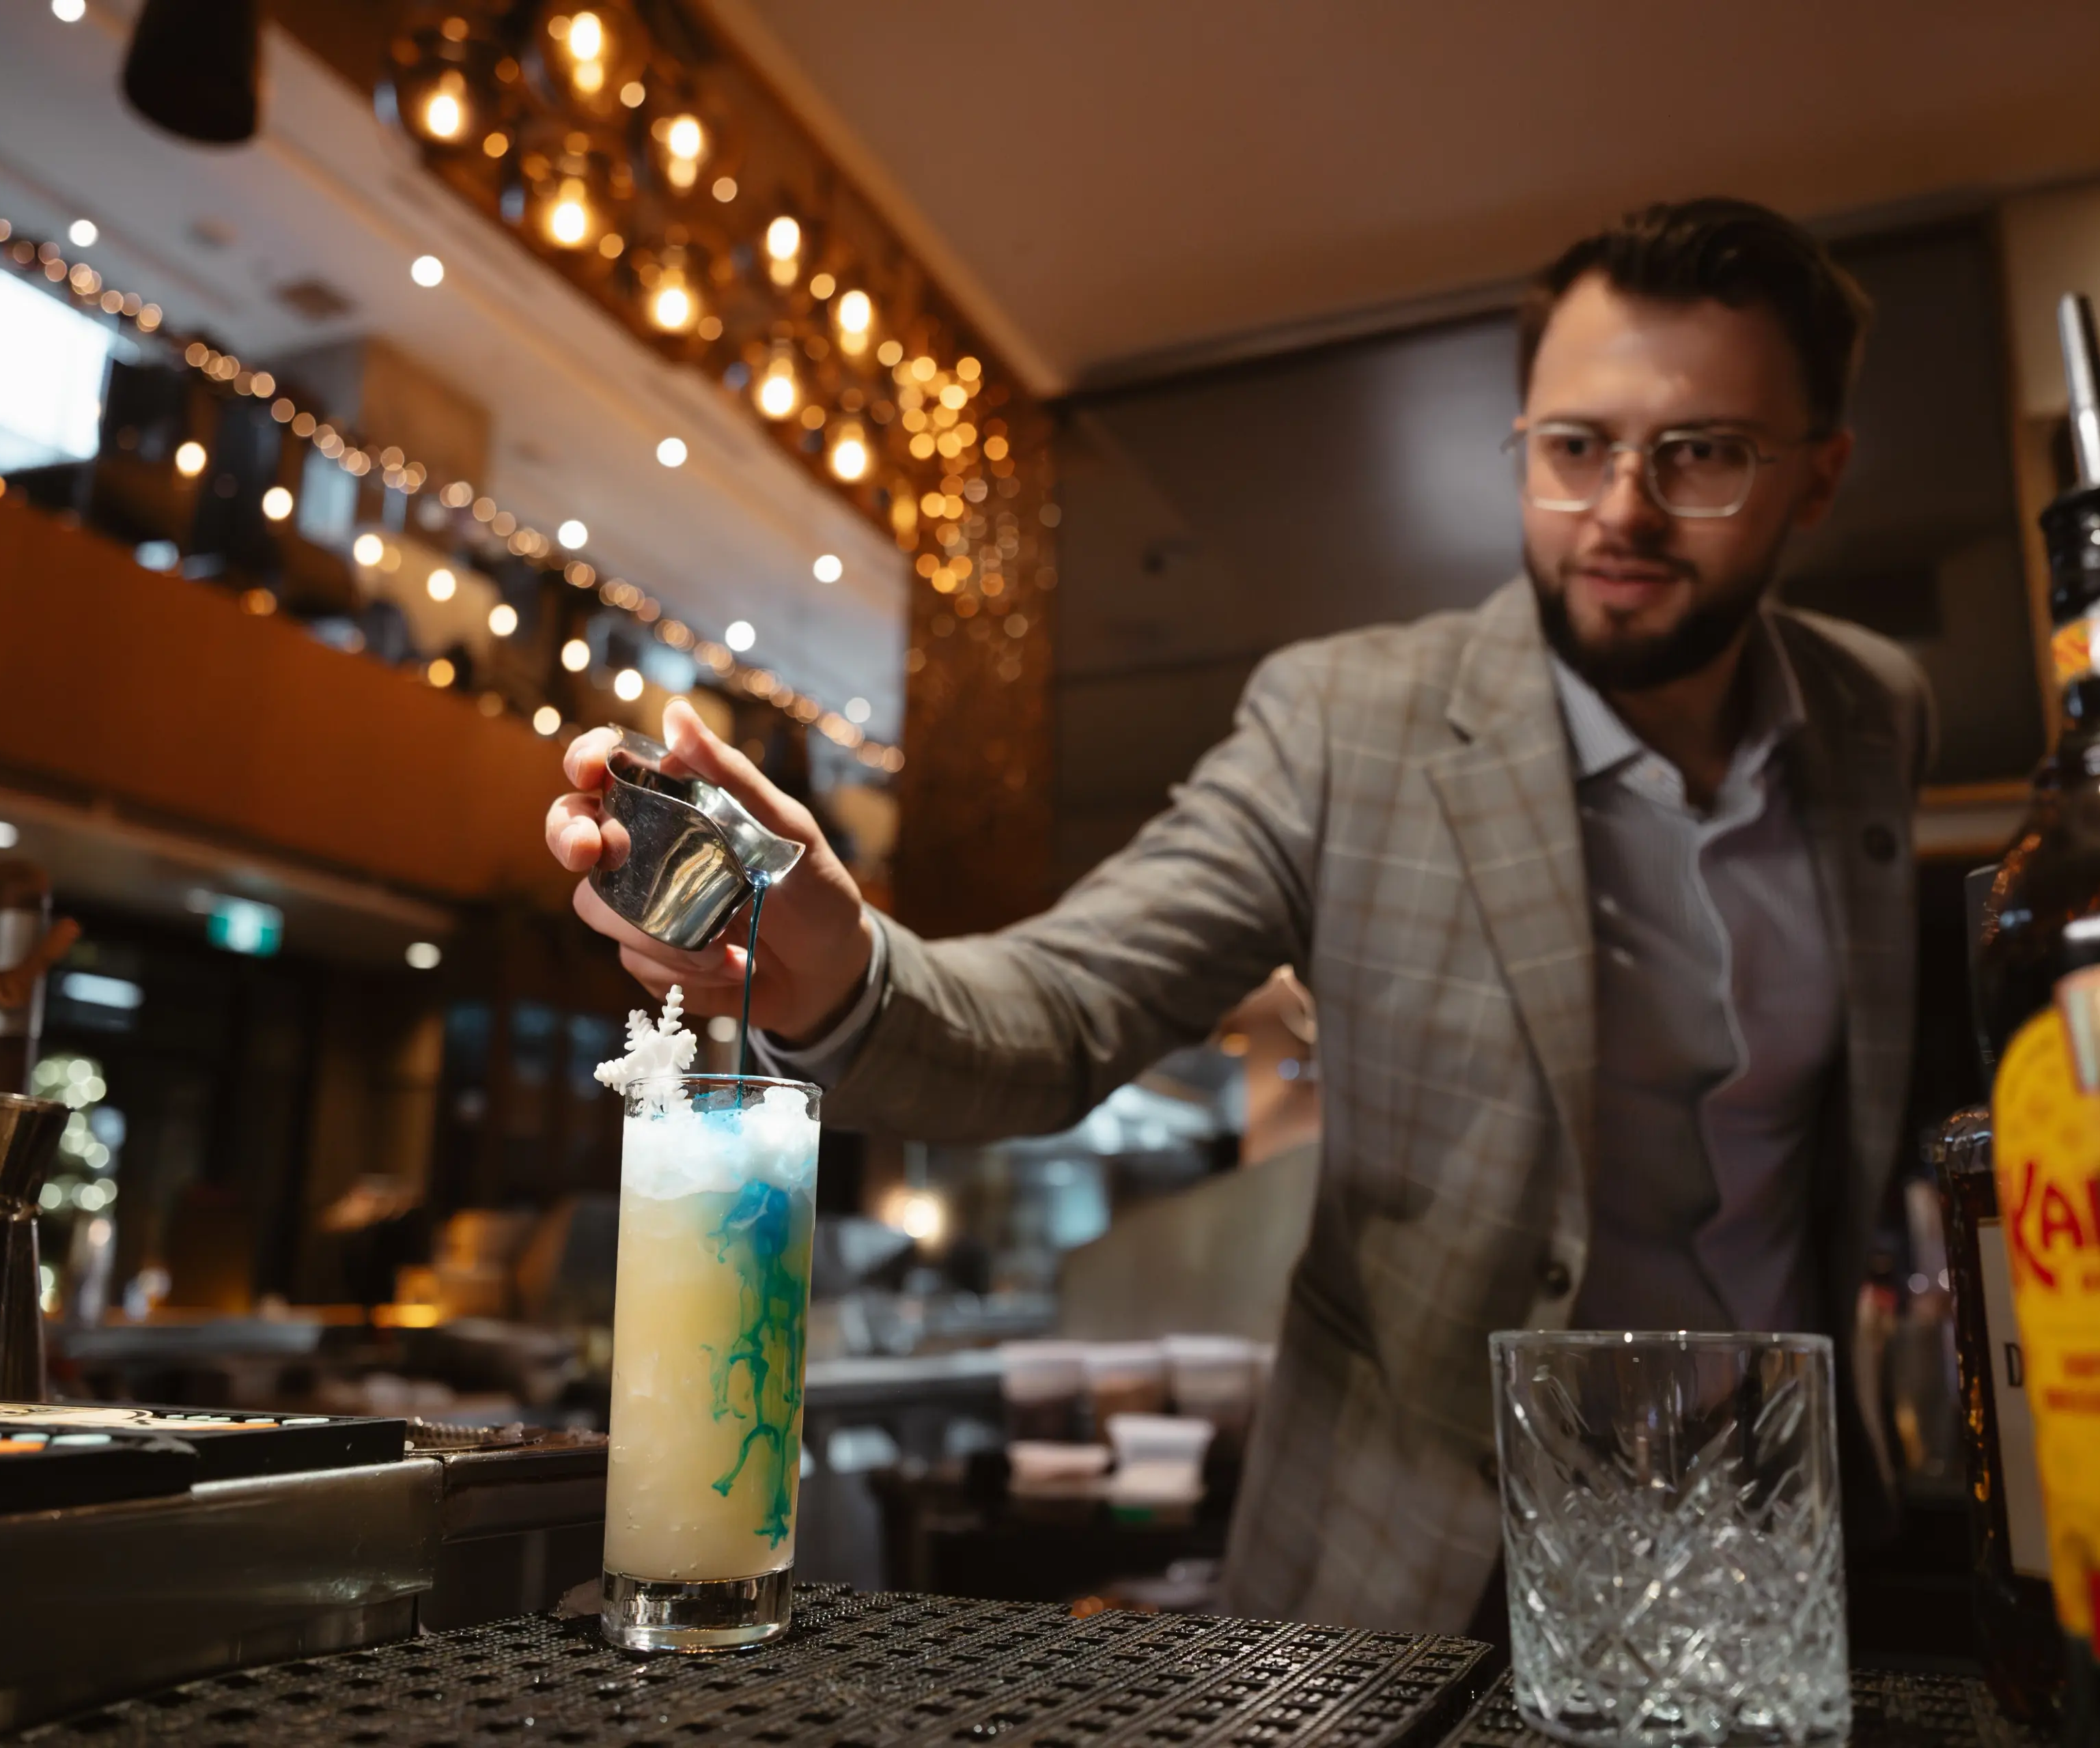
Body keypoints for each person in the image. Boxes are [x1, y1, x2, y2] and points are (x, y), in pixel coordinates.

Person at [546, 197, 1933, 1634]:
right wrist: (832, 963)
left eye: (1700, 453)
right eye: (1576, 447)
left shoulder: (1873, 717)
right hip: (1421, 1580)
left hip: (1777, 1551)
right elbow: (1069, 1003)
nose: (1624, 508)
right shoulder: (1349, 720)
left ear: (1818, 478)